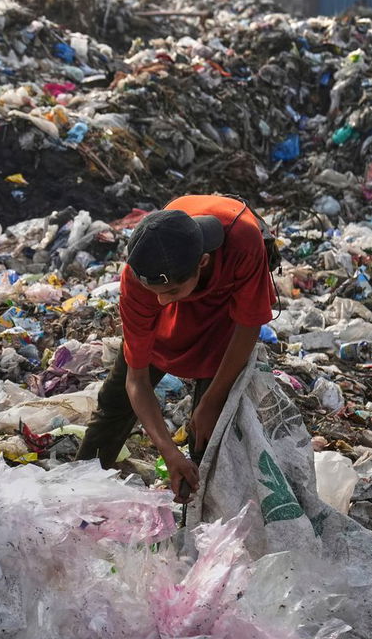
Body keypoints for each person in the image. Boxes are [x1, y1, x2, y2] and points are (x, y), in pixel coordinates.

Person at [76, 196, 277, 502]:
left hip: (223, 314)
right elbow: (136, 380)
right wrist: (169, 452)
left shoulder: (242, 241)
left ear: (203, 262)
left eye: (170, 292)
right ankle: (78, 489)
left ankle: (200, 511)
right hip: (166, 325)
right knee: (115, 401)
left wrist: (210, 401)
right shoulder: (140, 281)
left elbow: (248, 325)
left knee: (213, 426)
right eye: (154, 292)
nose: (162, 302)